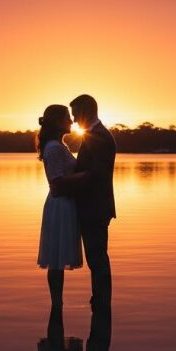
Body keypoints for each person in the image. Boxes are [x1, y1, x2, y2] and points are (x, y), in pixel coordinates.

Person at [56, 94, 116, 312]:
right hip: (93, 206)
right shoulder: (94, 135)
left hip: (95, 208)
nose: (73, 120)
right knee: (96, 257)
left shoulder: (99, 137)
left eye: (75, 114)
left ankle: (102, 303)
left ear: (85, 111)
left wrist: (62, 185)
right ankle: (100, 304)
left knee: (97, 257)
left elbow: (94, 174)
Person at [36, 105, 86, 307]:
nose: (72, 121)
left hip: (63, 203)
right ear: (57, 122)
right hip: (60, 205)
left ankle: (57, 304)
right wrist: (89, 176)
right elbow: (57, 183)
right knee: (56, 257)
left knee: (57, 257)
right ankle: (57, 304)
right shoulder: (54, 148)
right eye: (67, 117)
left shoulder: (58, 145)